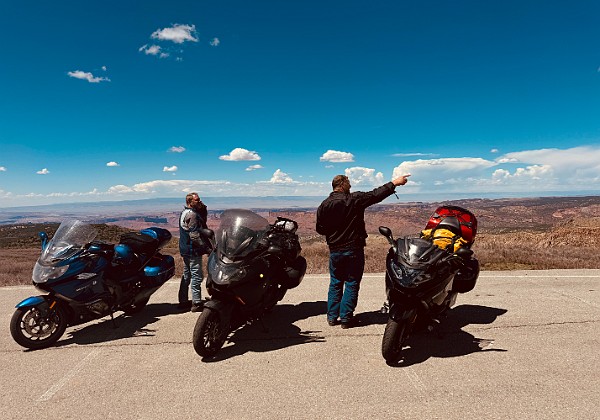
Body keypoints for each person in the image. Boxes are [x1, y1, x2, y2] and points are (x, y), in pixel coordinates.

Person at [316, 173, 411, 328]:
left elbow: (320, 229)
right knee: (352, 282)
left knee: (335, 282)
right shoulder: (354, 200)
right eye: (349, 183)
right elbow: (375, 195)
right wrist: (394, 183)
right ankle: (346, 318)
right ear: (343, 184)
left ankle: (332, 317)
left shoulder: (324, 205)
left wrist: (334, 232)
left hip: (335, 250)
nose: (351, 186)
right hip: (353, 248)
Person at [178, 192, 211, 312]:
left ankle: (183, 301)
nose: (199, 201)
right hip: (192, 250)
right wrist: (206, 248)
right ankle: (196, 303)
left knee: (187, 275)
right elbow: (194, 236)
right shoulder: (192, 215)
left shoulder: (185, 212)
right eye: (197, 200)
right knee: (197, 276)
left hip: (185, 249)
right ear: (190, 202)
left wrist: (203, 210)